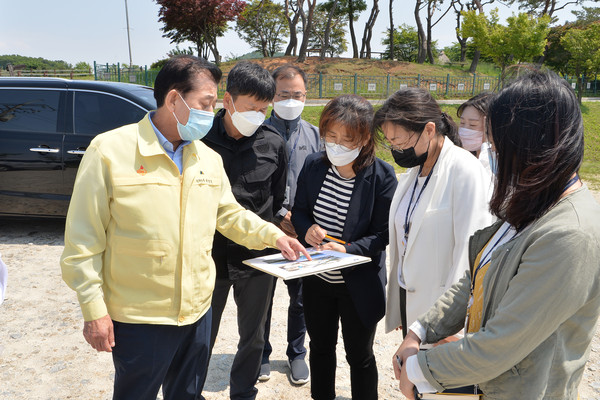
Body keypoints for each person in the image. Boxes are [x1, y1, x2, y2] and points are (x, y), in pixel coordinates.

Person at [60, 55, 308, 400]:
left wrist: (275, 235)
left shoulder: (205, 157)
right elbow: (83, 241)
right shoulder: (110, 151)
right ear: (174, 99)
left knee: (188, 394)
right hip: (140, 316)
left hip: (196, 312)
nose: (211, 111)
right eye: (206, 103)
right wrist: (93, 309)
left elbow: (229, 214)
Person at [394, 71, 600, 400]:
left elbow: (501, 344)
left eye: (500, 142)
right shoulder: (534, 199)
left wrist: (422, 369)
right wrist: (422, 329)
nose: (495, 151)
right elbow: (479, 273)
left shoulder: (569, 233)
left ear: (534, 143)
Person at [292, 94, 398, 400]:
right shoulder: (314, 164)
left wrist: (349, 251)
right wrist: (307, 229)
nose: (336, 144)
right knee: (321, 348)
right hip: (318, 280)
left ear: (365, 138)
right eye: (331, 136)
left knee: (359, 355)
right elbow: (300, 211)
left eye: (347, 138)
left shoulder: (381, 176)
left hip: (358, 285)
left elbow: (382, 234)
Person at [373, 87, 493, 340]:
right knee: (412, 376)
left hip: (444, 311)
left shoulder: (465, 170)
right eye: (390, 142)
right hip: (411, 298)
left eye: (401, 141)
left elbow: (471, 253)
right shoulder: (416, 171)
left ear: (429, 130)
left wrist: (452, 323)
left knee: (430, 378)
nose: (396, 149)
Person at [200, 61, 287, 400]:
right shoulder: (200, 139)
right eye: (252, 108)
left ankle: (243, 391)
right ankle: (190, 389)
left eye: (264, 110)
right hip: (208, 255)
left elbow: (277, 199)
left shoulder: (273, 143)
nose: (259, 116)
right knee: (201, 332)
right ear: (228, 100)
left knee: (253, 334)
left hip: (258, 257)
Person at [261, 64, 321, 384]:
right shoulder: (257, 134)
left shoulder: (316, 136)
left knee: (301, 299)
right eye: (283, 94)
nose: (290, 100)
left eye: (296, 94)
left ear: (305, 96)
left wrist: (306, 222)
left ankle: (297, 354)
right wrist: (278, 217)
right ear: (273, 96)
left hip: (303, 233)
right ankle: (261, 355)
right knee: (262, 297)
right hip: (268, 230)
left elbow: (325, 186)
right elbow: (252, 187)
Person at [456, 92, 493, 173]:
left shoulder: (496, 165)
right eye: (462, 123)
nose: (465, 130)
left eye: (472, 125)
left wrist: (485, 147)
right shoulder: (461, 159)